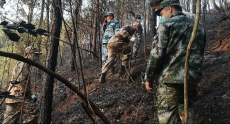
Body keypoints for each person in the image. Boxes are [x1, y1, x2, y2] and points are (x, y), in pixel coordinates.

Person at [144, 0, 206, 123]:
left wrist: (148, 77)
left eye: (162, 14)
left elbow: (157, 54)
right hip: (191, 78)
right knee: (187, 113)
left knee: (167, 117)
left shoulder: (166, 25)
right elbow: (200, 52)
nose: (162, 17)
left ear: (170, 9)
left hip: (169, 80)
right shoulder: (199, 26)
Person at [3, 46, 42, 124]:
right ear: (30, 53)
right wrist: (29, 95)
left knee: (8, 122)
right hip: (18, 96)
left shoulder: (24, 64)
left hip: (12, 97)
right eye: (36, 55)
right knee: (35, 112)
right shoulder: (23, 65)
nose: (37, 57)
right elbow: (21, 82)